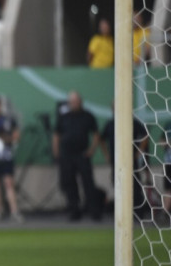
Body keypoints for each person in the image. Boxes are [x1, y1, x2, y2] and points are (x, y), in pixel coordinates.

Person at [52, 90, 101, 221]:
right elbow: (56, 135)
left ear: (80, 102)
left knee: (88, 183)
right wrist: (57, 153)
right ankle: (74, 210)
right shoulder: (64, 117)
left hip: (82, 155)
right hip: (67, 155)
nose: (73, 104)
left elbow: (96, 135)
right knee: (70, 183)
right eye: (71, 102)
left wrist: (91, 150)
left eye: (75, 101)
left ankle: (93, 211)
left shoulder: (88, 116)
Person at [99, 102, 148, 214]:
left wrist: (139, 152)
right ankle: (122, 213)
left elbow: (145, 135)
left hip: (130, 161)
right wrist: (106, 154)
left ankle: (137, 212)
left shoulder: (132, 122)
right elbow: (101, 139)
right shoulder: (110, 124)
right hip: (115, 162)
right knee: (118, 185)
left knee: (134, 186)